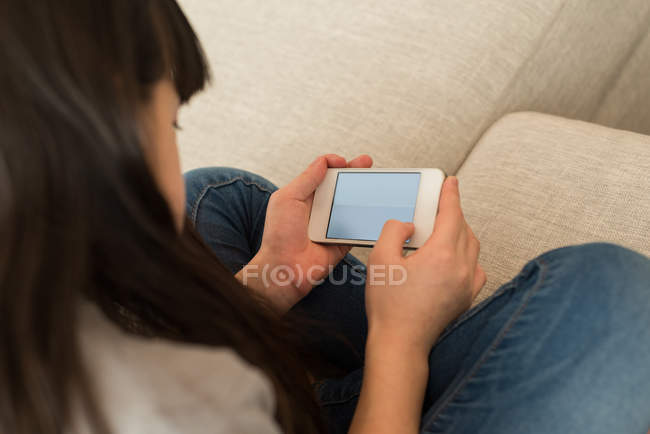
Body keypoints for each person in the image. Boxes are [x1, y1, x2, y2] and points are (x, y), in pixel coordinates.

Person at [1, 1, 648, 433]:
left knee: (214, 200)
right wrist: (402, 344)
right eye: (170, 124)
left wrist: (271, 282)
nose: (175, 140)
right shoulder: (162, 404)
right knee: (617, 306)